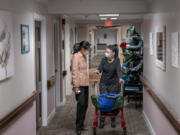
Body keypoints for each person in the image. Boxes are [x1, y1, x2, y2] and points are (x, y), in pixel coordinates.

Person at [95, 44, 124, 129]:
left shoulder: (117, 60)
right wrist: (97, 71)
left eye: (108, 52)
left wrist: (120, 78)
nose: (106, 53)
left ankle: (113, 119)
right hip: (104, 83)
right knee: (104, 102)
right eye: (106, 52)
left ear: (113, 53)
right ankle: (102, 121)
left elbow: (118, 70)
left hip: (114, 84)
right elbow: (100, 68)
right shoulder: (103, 60)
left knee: (113, 102)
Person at [71, 41, 91, 135]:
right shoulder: (76, 56)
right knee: (81, 105)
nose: (88, 51)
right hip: (79, 85)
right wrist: (75, 86)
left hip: (85, 84)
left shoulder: (83, 56)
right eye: (87, 49)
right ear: (83, 48)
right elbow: (74, 72)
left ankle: (82, 124)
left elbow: (83, 71)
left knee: (85, 105)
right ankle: (78, 127)